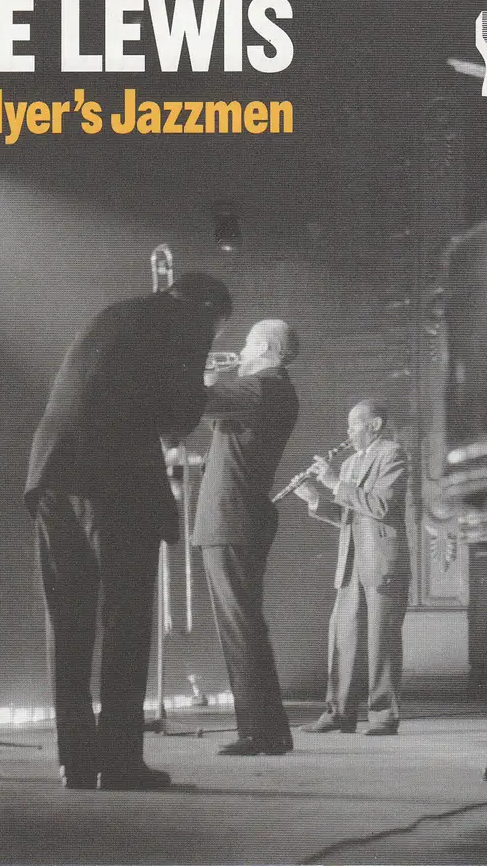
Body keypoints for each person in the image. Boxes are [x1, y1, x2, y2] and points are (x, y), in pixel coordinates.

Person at [25, 272, 232, 790]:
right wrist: (204, 385)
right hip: (114, 481)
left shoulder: (115, 312)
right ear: (210, 311)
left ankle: (76, 761)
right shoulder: (189, 323)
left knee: (67, 622)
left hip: (50, 472)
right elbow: (176, 418)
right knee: (126, 621)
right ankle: (119, 762)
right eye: (218, 329)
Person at [192, 319, 300, 755]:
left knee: (241, 628)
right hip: (236, 517)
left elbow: (197, 403)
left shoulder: (263, 386)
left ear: (267, 348)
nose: (240, 351)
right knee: (244, 626)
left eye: (249, 343)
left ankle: (258, 731)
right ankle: (269, 731)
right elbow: (216, 418)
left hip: (232, 518)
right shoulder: (267, 390)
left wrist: (198, 373)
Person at [294, 399, 411, 736]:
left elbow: (381, 506)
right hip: (351, 562)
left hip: (382, 561)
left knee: (381, 641)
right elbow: (347, 517)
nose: (347, 432)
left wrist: (334, 484)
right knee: (343, 638)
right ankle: (339, 713)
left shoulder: (392, 454)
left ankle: (383, 716)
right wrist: (315, 499)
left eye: (354, 424)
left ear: (375, 425)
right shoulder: (347, 464)